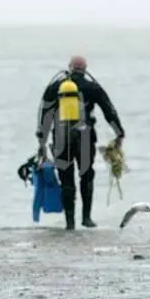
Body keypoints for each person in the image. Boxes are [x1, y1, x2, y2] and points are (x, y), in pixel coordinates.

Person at [35, 55, 125, 230]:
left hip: (61, 138)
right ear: (85, 69)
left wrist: (42, 142)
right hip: (85, 137)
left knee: (66, 180)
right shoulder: (92, 87)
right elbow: (109, 111)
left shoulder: (55, 87)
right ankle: (86, 218)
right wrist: (119, 133)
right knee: (86, 175)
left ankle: (70, 223)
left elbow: (44, 116)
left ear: (69, 67)